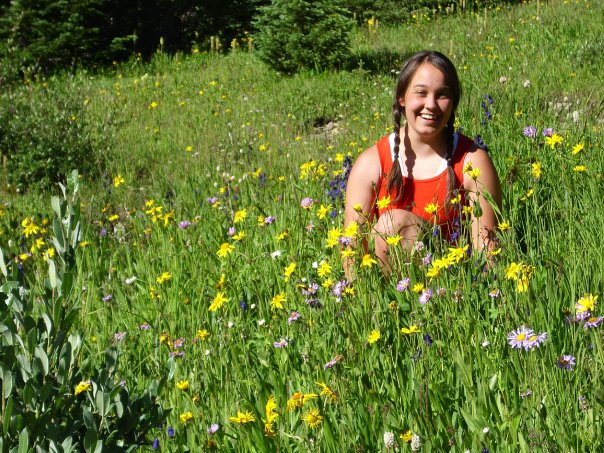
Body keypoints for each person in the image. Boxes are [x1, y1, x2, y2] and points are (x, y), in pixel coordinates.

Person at [343, 50, 502, 274]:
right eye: (421, 93)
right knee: (393, 224)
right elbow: (351, 253)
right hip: (392, 288)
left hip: (456, 282)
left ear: (453, 102)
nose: (431, 104)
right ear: (402, 97)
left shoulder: (472, 161)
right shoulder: (371, 163)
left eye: (442, 95)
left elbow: (488, 253)